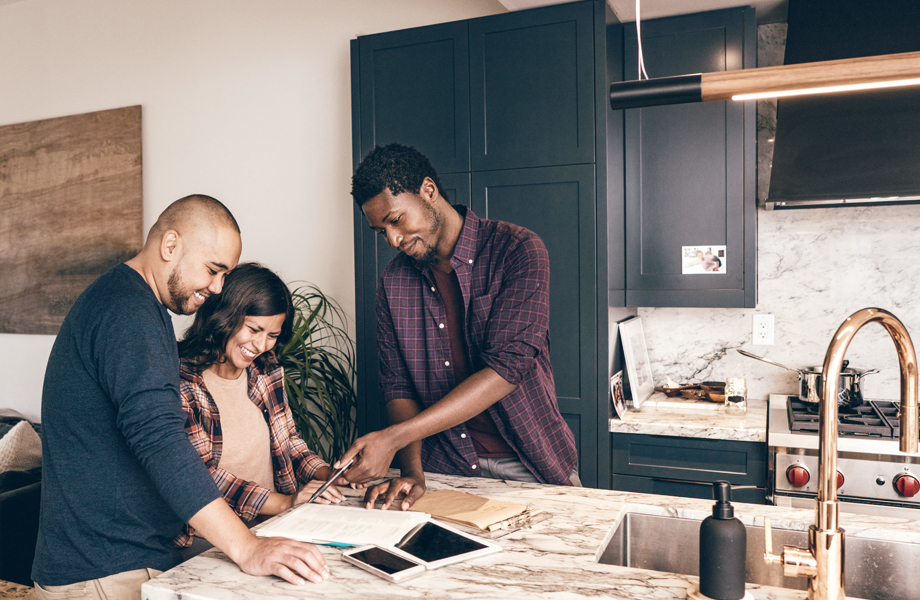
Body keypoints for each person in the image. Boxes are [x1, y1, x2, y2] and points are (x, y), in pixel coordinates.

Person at [33, 195, 329, 600]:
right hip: (106, 569)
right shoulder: (128, 313)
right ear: (170, 246)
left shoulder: (133, 305)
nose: (218, 287)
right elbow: (161, 441)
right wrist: (247, 547)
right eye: (213, 269)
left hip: (114, 561)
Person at [340, 144, 579, 512]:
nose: (393, 240)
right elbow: (399, 385)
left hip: (533, 465)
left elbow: (506, 370)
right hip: (444, 471)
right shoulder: (393, 284)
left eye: (396, 220)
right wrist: (412, 470)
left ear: (428, 191)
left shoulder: (518, 250)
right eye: (380, 231)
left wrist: (393, 438)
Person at [174, 263, 345, 558]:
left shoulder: (267, 369)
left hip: (274, 527)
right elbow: (201, 478)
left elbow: (288, 440)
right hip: (210, 543)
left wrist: (328, 474)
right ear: (224, 315)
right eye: (254, 329)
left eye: (272, 334)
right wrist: (286, 502)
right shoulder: (181, 381)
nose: (261, 345)